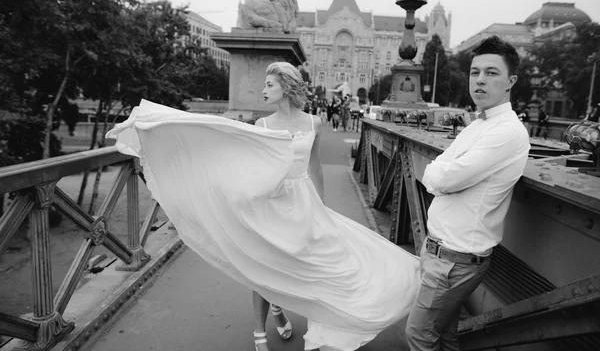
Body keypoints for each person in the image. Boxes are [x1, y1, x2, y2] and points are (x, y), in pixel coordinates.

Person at [107, 62, 420, 351]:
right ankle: (261, 329)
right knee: (263, 267)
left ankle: (306, 317)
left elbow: (315, 168)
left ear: (286, 87)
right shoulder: (262, 124)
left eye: (270, 84)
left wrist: (321, 208)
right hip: (271, 205)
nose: (263, 89)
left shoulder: (314, 122)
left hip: (304, 204)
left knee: (321, 266)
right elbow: (228, 147)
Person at [405, 35, 530, 350]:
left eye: (491, 73)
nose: (480, 80)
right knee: (445, 334)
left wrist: (438, 176)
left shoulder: (507, 133)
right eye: (475, 72)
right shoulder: (477, 126)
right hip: (440, 252)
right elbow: (442, 169)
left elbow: (443, 177)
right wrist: (440, 174)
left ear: (510, 81)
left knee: (418, 335)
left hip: (453, 261)